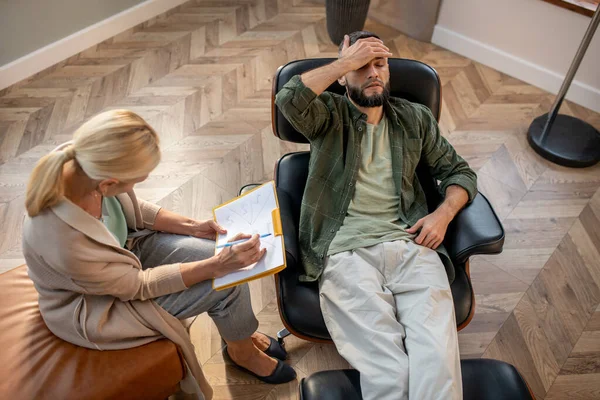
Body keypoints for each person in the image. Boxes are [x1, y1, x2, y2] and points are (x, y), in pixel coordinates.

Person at [22, 109, 296, 400]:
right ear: (108, 184)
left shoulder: (85, 162)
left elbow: (133, 209)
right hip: (100, 305)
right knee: (226, 282)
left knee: (226, 264)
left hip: (125, 254)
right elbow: (136, 286)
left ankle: (237, 331)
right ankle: (241, 351)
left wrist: (194, 227)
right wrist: (216, 266)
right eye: (136, 179)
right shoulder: (64, 241)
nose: (138, 185)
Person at [275, 31, 478, 400]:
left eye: (379, 63)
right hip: (345, 251)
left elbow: (460, 173)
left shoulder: (414, 118)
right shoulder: (328, 116)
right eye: (360, 65)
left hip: (412, 245)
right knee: (389, 373)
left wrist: (443, 215)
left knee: (438, 365)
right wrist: (345, 60)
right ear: (342, 76)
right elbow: (289, 99)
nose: (372, 72)